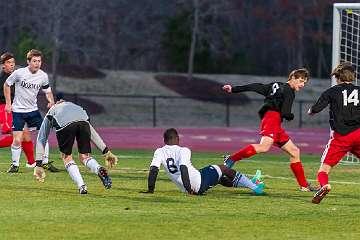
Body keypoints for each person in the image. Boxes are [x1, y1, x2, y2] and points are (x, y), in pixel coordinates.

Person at [222, 68, 318, 192]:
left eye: (304, 82)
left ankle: (304, 186)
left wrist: (234, 89)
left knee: (294, 152)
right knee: (264, 147)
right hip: (273, 118)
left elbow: (256, 86)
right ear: (293, 77)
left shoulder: (275, 85)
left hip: (272, 120)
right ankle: (232, 158)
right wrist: (290, 116)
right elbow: (286, 113)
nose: (302, 85)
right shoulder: (289, 90)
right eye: (300, 81)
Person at [33, 93, 118, 194]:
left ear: (56, 102)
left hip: (65, 125)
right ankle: (99, 169)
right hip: (83, 121)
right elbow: (92, 133)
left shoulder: (52, 110)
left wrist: (38, 164)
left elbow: (41, 138)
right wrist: (106, 151)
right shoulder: (77, 107)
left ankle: (82, 186)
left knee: (66, 157)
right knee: (84, 156)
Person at [141, 128, 265, 195]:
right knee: (224, 168)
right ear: (177, 138)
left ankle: (249, 182)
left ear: (164, 140)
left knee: (220, 179)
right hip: (197, 182)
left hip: (191, 184)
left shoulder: (159, 152)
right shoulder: (183, 150)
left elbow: (154, 171)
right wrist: (190, 190)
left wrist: (150, 190)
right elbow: (183, 168)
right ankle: (255, 187)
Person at [308, 62, 360, 204]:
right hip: (359, 134)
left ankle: (325, 185)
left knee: (324, 168)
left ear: (337, 77)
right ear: (353, 76)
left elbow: (316, 108)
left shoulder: (332, 91)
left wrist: (311, 111)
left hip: (341, 137)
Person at [3, 49, 59, 173]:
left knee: (43, 135)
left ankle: (45, 163)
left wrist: (50, 101)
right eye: (34, 61)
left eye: (39, 61)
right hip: (18, 111)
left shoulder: (43, 75)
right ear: (28, 62)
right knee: (17, 139)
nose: (37, 63)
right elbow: (7, 85)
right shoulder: (19, 73)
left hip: (33, 111)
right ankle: (15, 165)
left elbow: (47, 90)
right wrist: (8, 103)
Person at [0, 52, 38, 168]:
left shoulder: (15, 77)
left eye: (13, 62)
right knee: (19, 136)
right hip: (5, 110)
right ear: (3, 65)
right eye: (8, 62)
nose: (11, 65)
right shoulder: (3, 80)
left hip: (16, 110)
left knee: (26, 135)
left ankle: (31, 162)